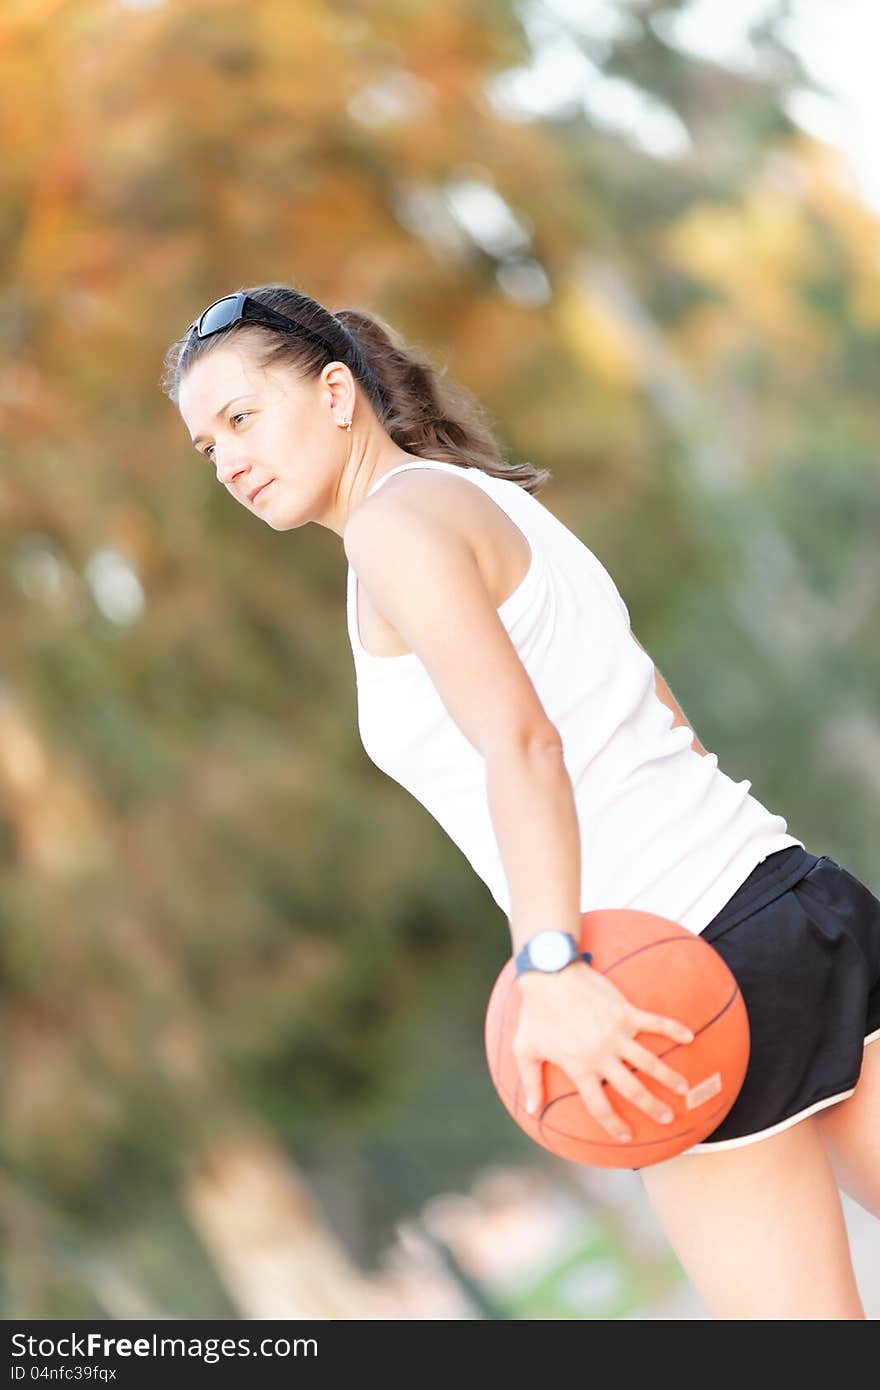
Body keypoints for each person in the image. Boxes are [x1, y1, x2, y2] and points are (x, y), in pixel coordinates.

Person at [163, 283, 879, 1320]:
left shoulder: (393, 530)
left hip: (669, 985)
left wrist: (552, 962)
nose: (228, 460)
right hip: (795, 901)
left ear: (332, 392)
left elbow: (521, 742)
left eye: (241, 418)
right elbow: (662, 713)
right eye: (205, 446)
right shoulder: (479, 497)